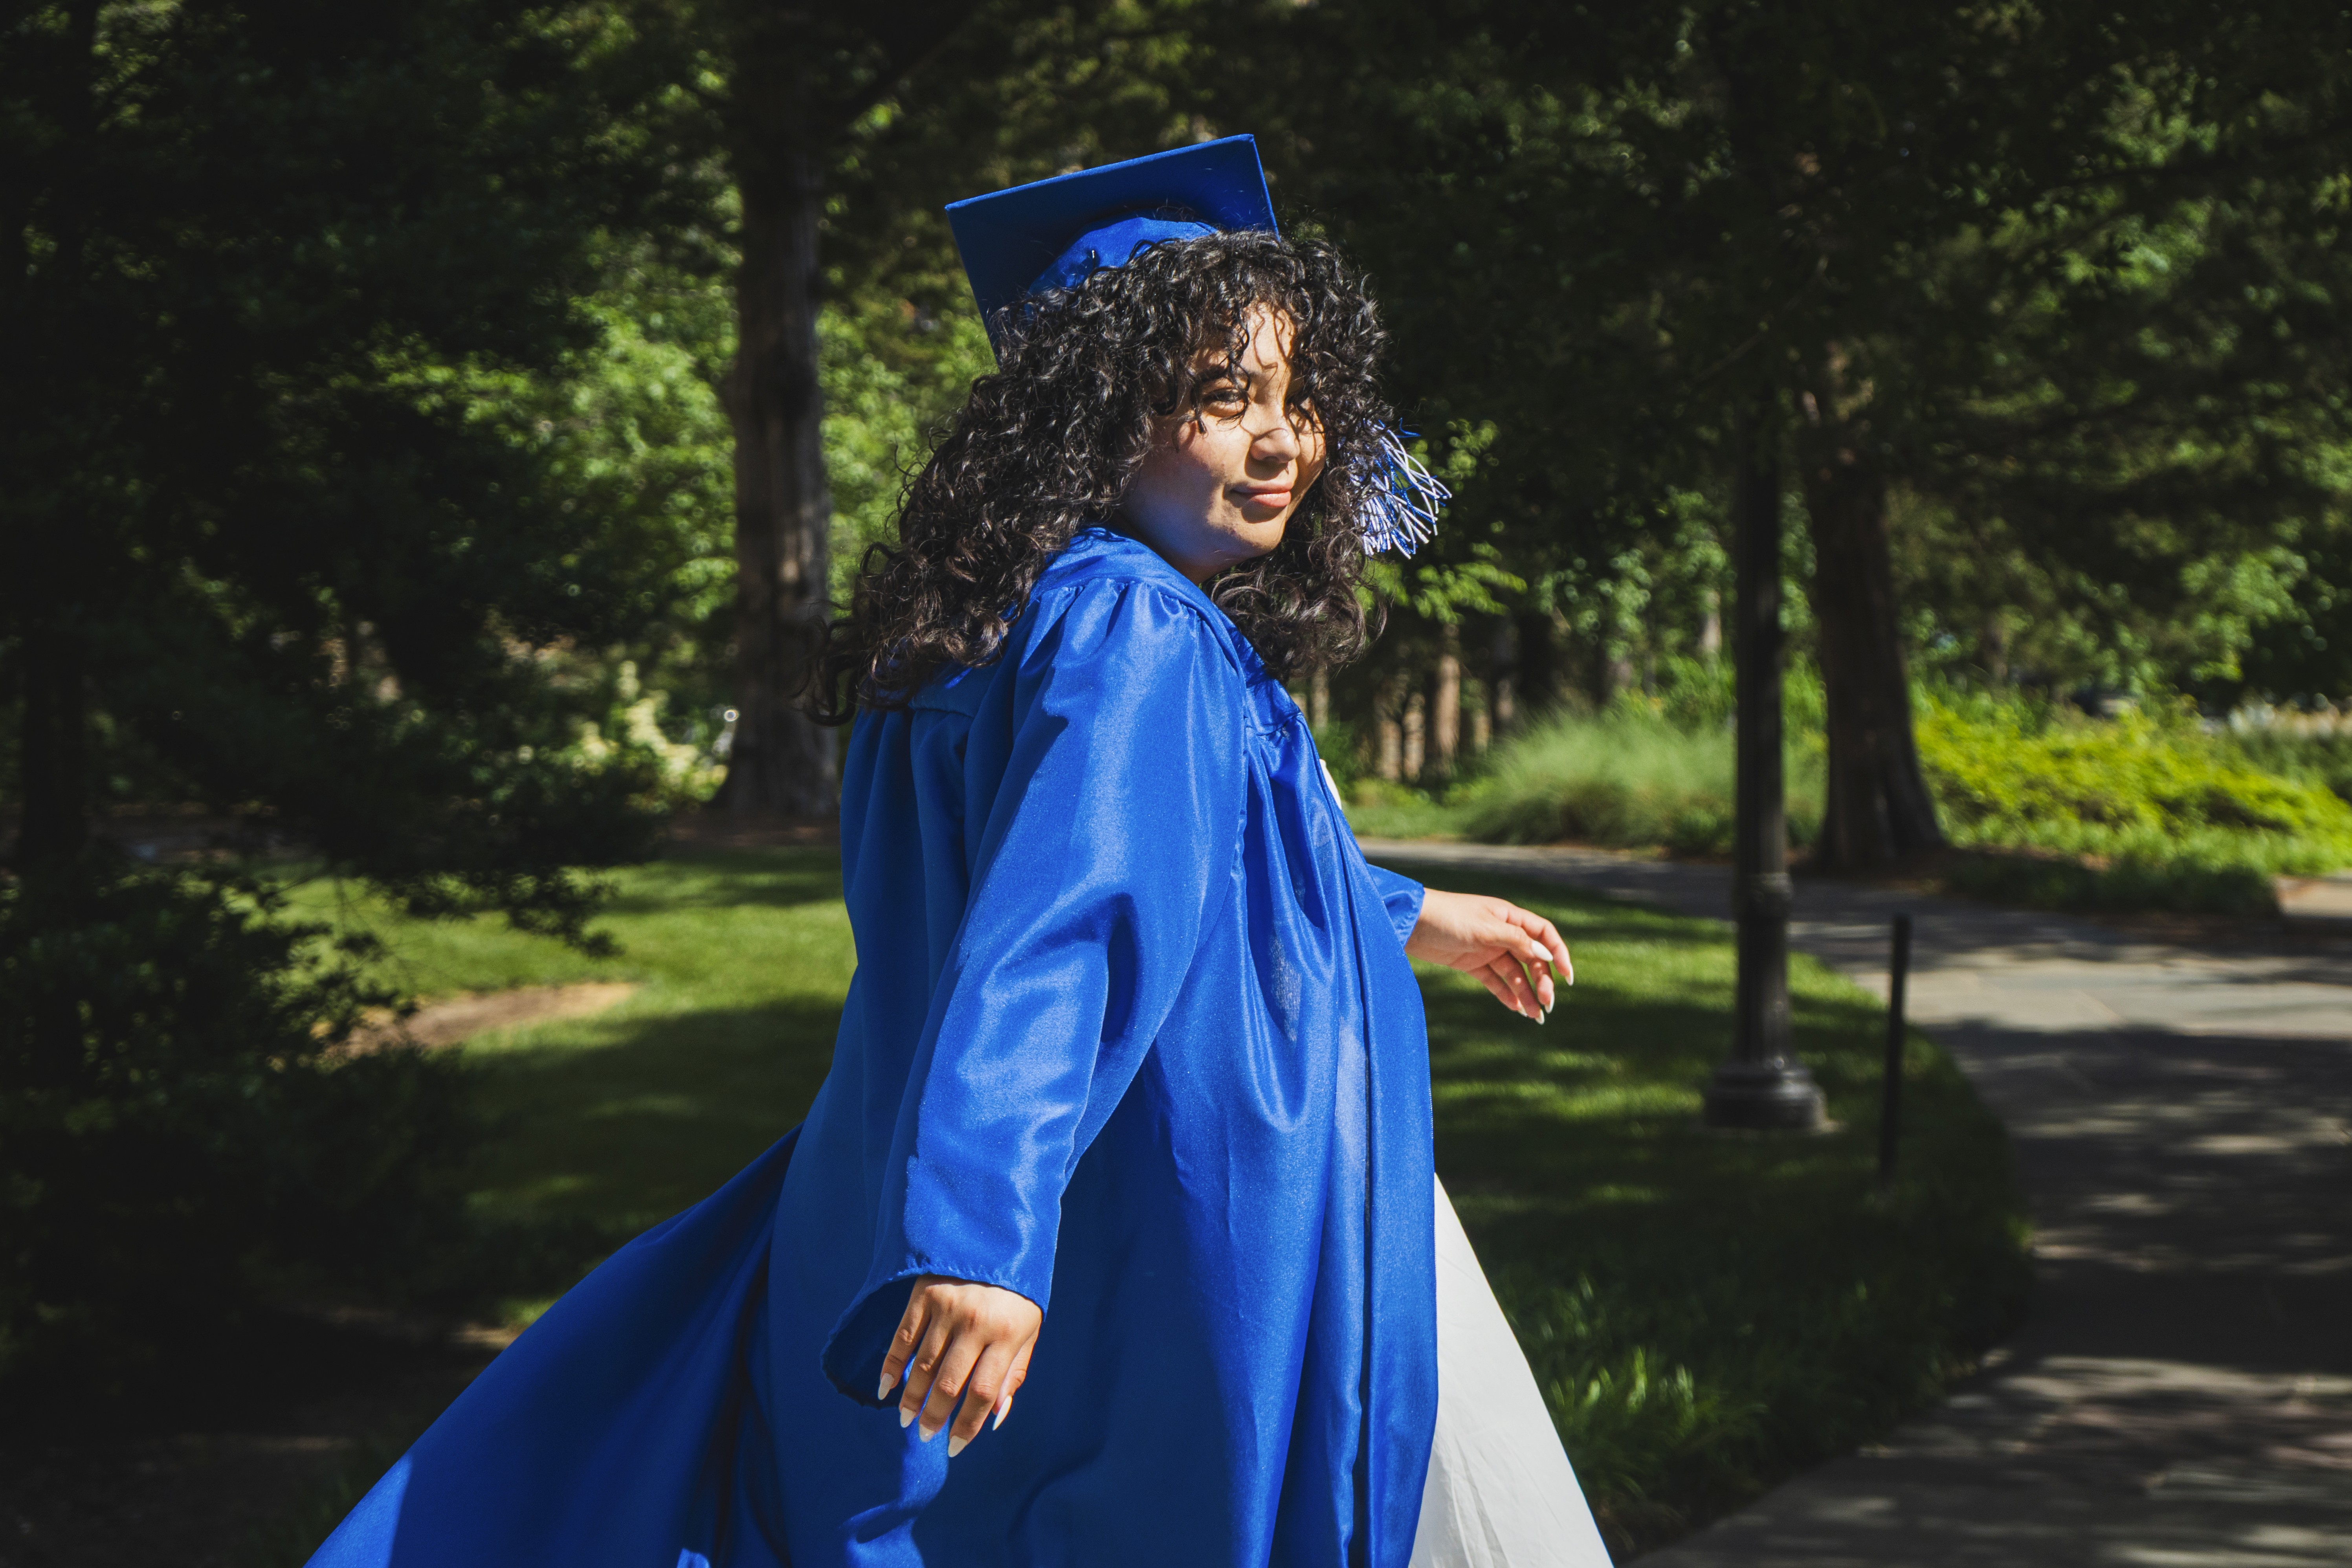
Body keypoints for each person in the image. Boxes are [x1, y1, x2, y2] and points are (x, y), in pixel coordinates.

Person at [305, 136, 1611, 1568]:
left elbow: (1205, 865)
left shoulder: (984, 621)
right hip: (1137, 1207)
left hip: (920, 1161)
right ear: (1095, 409)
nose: (1284, 439)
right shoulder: (1143, 630)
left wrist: (1410, 912)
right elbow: (1065, 925)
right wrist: (980, 1241)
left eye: (1299, 399)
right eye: (1223, 396)